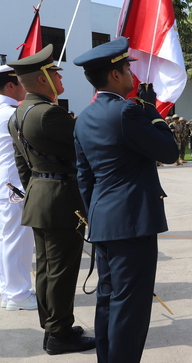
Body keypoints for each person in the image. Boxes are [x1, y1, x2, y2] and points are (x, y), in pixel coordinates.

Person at [73, 36, 178, 362]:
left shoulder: (85, 117)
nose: (133, 76)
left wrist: (97, 216)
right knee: (130, 308)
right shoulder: (127, 113)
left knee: (108, 300)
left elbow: (84, 177)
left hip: (105, 222)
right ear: (115, 76)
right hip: (132, 224)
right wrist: (153, 114)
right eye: (127, 69)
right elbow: (170, 152)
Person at [7, 44, 94, 355]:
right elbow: (86, 149)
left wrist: (40, 191)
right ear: (42, 78)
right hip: (60, 200)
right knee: (60, 271)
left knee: (46, 270)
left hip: (40, 199)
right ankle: (58, 335)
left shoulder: (17, 115)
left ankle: (55, 327)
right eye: (55, 72)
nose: (59, 76)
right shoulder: (49, 114)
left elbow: (23, 167)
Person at [0, 65, 36, 312]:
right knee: (18, 241)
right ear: (11, 85)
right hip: (15, 187)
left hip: (5, 186)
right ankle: (18, 294)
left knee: (6, 239)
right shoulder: (13, 113)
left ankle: (7, 288)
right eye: (22, 82)